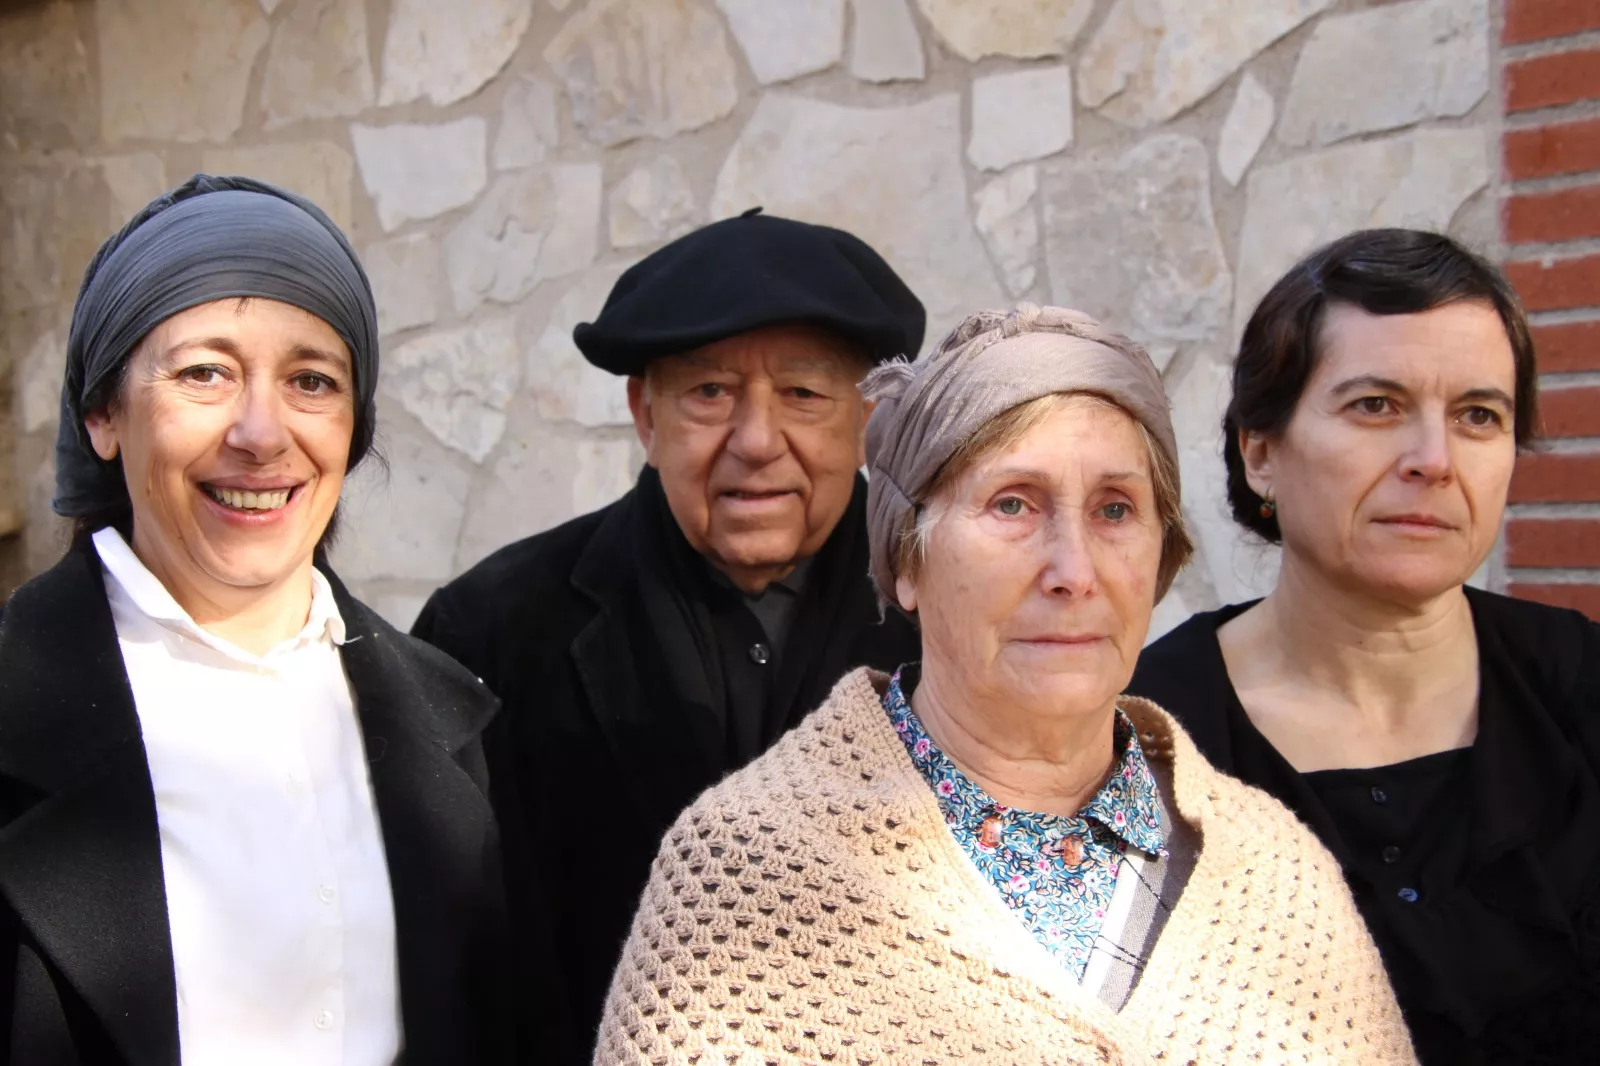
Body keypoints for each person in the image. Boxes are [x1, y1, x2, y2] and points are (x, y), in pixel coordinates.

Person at [595, 304, 1416, 1065]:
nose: (1074, 570)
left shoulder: (1275, 873)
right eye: (1014, 504)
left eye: (1116, 510)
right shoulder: (750, 875)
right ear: (908, 561)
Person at [0, 175, 515, 1064]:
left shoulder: (449, 722)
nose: (261, 432)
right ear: (102, 414)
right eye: (206, 372)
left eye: (311, 380)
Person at [410, 210, 925, 1063]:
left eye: (803, 393)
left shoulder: (942, 615)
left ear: (867, 417)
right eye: (710, 394)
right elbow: (456, 965)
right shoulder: (492, 632)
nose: (757, 442)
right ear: (646, 414)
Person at [1128, 227, 1600, 1063]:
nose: (1434, 459)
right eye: (1375, 406)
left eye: (1478, 416)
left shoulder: (1581, 688)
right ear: (1261, 451)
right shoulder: (1146, 739)